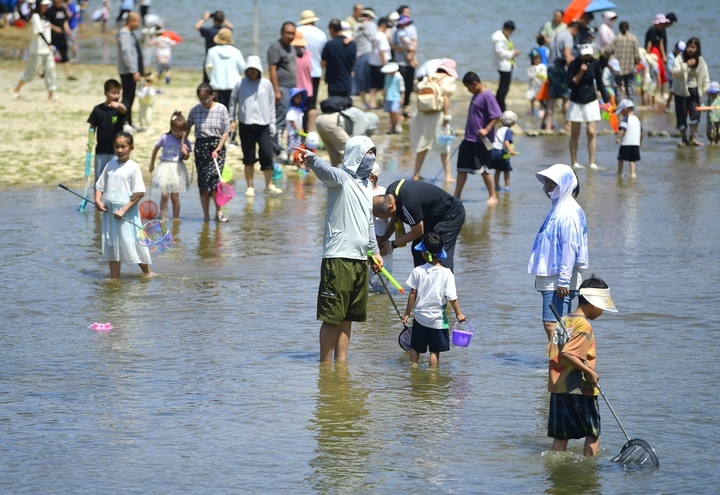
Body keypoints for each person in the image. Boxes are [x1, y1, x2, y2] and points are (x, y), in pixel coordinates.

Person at [295, 136, 383, 363]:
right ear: (357, 156)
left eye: (374, 153)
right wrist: (312, 158)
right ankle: (324, 365)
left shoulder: (366, 186)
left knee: (348, 318)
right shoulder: (342, 179)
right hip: (339, 258)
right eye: (368, 153)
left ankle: (340, 365)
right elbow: (326, 171)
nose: (371, 159)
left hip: (361, 259)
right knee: (333, 316)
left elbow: (369, 222)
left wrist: (375, 252)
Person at [548, 276, 618, 457]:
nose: (602, 311)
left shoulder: (565, 320)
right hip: (579, 388)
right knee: (592, 433)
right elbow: (568, 354)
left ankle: (554, 468)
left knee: (561, 434)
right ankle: (590, 470)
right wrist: (590, 373)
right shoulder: (583, 325)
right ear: (593, 304)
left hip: (559, 386)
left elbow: (555, 351)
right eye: (602, 307)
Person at [528, 164, 588, 341]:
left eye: (552, 183)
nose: (546, 187)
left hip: (560, 279)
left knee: (555, 324)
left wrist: (563, 281)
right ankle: (559, 363)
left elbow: (570, 246)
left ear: (565, 184)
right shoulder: (559, 208)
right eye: (546, 182)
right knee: (554, 324)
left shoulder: (568, 212)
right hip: (553, 276)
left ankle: (564, 363)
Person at [401, 232, 466, 367]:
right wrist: (458, 313)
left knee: (415, 347)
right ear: (441, 252)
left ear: (423, 253)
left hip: (420, 318)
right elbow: (452, 298)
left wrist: (407, 313)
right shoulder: (447, 273)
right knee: (434, 351)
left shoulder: (418, 271)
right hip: (438, 321)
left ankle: (413, 368)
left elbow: (412, 294)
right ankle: (433, 377)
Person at [94, 132, 152, 279]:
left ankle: (147, 273)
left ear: (131, 147)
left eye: (123, 147)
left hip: (127, 213)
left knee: (131, 242)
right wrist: (98, 201)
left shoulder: (133, 167)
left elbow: (139, 192)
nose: (120, 150)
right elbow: (99, 186)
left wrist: (123, 210)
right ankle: (115, 278)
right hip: (110, 212)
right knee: (112, 244)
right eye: (117, 147)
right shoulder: (109, 165)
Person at [374, 179, 465, 272]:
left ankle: (445, 283)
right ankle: (421, 281)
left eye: (385, 216)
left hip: (449, 215)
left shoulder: (408, 204)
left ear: (391, 207)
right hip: (429, 217)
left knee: (437, 253)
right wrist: (385, 237)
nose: (386, 218)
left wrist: (392, 244)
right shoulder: (390, 193)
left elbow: (417, 232)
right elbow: (396, 215)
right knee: (418, 250)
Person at [229, 56, 282, 197]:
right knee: (249, 156)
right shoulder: (240, 83)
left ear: (259, 70)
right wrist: (231, 119)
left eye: (255, 70)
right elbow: (232, 102)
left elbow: (271, 105)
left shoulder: (266, 84)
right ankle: (250, 186)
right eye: (250, 69)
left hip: (264, 124)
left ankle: (269, 185)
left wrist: (272, 123)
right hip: (245, 124)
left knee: (266, 154)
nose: (252, 72)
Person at [184, 83, 231, 222]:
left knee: (215, 180)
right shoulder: (195, 110)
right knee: (203, 183)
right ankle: (206, 215)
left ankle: (219, 212)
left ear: (212, 95)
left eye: (207, 98)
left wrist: (219, 148)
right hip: (201, 147)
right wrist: (182, 144)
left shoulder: (221, 109)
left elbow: (226, 131)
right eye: (201, 98)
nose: (204, 101)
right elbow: (187, 127)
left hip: (217, 147)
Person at [454, 71, 502, 204]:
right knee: (461, 168)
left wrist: (486, 129)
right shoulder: (476, 94)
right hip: (468, 139)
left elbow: (497, 115)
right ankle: (456, 196)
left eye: (468, 87)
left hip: (480, 141)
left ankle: (493, 195)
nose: (468, 90)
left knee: (483, 168)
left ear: (475, 84)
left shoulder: (487, 96)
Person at [410, 58, 458, 182]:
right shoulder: (449, 79)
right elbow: (446, 99)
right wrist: (447, 117)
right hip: (437, 115)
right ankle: (448, 175)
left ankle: (416, 174)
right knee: (444, 145)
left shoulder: (430, 77)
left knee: (422, 144)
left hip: (422, 115)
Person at [566, 43, 609, 169]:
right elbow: (570, 84)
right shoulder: (574, 64)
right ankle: (574, 161)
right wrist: (580, 72)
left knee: (591, 132)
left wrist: (606, 100)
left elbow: (599, 82)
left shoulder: (595, 63)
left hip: (591, 100)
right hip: (576, 101)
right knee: (575, 133)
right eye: (585, 55)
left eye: (589, 54)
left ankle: (592, 162)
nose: (587, 57)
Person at [12, 0, 58, 101]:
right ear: (39, 6)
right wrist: (49, 44)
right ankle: (16, 89)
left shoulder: (46, 18)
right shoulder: (35, 17)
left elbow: (47, 32)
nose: (45, 7)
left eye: (46, 5)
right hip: (37, 50)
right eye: (44, 5)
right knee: (31, 72)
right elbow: (40, 32)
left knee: (51, 71)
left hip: (47, 51)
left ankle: (51, 95)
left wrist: (51, 44)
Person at [149, 111, 191, 221]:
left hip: (177, 168)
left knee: (175, 197)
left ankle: (176, 218)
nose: (177, 133)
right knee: (164, 195)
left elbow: (186, 158)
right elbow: (155, 149)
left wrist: (186, 153)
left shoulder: (185, 141)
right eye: (175, 130)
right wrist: (152, 164)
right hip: (164, 166)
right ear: (171, 127)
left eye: (180, 131)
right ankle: (163, 215)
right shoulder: (165, 137)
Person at [672, 37, 710, 147]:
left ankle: (692, 137)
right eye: (689, 47)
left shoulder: (700, 61)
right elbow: (675, 72)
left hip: (694, 90)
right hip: (681, 90)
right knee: (681, 114)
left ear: (697, 49)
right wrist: (686, 65)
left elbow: (705, 76)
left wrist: (706, 89)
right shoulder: (680, 58)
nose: (691, 50)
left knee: (695, 114)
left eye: (694, 47)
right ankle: (683, 139)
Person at [268, 21, 297, 157]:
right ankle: (276, 149)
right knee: (279, 119)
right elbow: (272, 69)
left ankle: (284, 146)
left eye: (293, 33)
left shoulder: (291, 47)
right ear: (281, 33)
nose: (290, 36)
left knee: (289, 118)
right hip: (282, 87)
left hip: (292, 88)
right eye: (288, 33)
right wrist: (276, 91)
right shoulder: (276, 48)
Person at [87, 79, 126, 181]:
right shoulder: (98, 109)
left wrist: (118, 105)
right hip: (101, 150)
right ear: (105, 93)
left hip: (116, 151)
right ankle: (97, 197)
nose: (116, 96)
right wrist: (89, 143)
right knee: (99, 178)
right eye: (113, 93)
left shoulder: (119, 110)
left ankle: (112, 197)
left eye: (118, 93)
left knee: (114, 177)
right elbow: (92, 127)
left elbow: (124, 109)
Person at [542, 21, 578, 131]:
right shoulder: (568, 37)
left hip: (551, 68)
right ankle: (568, 125)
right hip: (561, 69)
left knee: (552, 99)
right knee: (566, 98)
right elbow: (567, 54)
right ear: (574, 29)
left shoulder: (556, 35)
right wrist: (572, 71)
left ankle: (548, 125)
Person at [315, 105, 379, 166]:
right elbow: (356, 142)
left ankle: (334, 174)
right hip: (331, 122)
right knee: (351, 153)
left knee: (334, 156)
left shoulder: (358, 115)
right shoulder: (364, 121)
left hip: (319, 119)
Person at [296, 10, 327, 133]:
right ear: (313, 20)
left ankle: (299, 129)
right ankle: (310, 130)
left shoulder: (298, 31)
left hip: (300, 71)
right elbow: (323, 56)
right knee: (312, 102)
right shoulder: (321, 34)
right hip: (316, 72)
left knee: (298, 101)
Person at [205, 27, 246, 110]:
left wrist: (212, 78)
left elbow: (207, 68)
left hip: (217, 87)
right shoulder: (236, 52)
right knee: (231, 111)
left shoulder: (212, 51)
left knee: (218, 112)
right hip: (233, 86)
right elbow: (243, 69)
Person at [369, 162, 393, 292]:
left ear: (372, 177)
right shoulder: (359, 193)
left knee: (381, 280)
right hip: (365, 243)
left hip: (382, 243)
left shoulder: (384, 193)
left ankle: (380, 307)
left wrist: (387, 241)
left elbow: (394, 220)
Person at [116, 11, 143, 129]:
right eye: (138, 21)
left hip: (131, 70)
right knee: (127, 97)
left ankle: (128, 121)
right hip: (127, 71)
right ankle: (122, 122)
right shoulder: (124, 34)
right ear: (131, 21)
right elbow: (126, 53)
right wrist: (134, 70)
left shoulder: (129, 33)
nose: (139, 24)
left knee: (131, 96)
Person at [195, 10, 233, 84]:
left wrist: (205, 18)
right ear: (222, 20)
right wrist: (221, 19)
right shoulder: (226, 31)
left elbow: (197, 26)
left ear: (214, 20)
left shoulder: (208, 31)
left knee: (207, 82)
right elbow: (231, 26)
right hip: (224, 60)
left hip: (210, 59)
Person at [322, 18, 357, 98]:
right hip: (347, 81)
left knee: (334, 105)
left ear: (331, 29)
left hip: (333, 82)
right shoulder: (352, 45)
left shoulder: (329, 45)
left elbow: (323, 64)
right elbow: (353, 61)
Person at [607, 21, 640, 101]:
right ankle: (630, 104)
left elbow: (608, 50)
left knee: (618, 87)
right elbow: (637, 55)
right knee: (629, 86)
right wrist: (637, 62)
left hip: (617, 68)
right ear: (628, 28)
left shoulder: (616, 39)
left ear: (619, 28)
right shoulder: (633, 38)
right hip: (629, 67)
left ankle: (618, 104)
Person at [492, 20, 520, 112]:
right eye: (511, 31)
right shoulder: (499, 38)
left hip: (507, 65)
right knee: (503, 87)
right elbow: (499, 52)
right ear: (507, 29)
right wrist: (512, 53)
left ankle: (499, 105)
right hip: (503, 65)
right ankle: (500, 106)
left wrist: (512, 53)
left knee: (504, 87)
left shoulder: (504, 37)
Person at [391, 13, 417, 113]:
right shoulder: (400, 32)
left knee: (408, 86)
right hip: (401, 63)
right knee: (403, 85)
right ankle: (402, 106)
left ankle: (404, 107)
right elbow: (405, 43)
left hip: (407, 62)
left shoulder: (402, 31)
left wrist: (410, 51)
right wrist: (409, 47)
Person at [352, 8, 377, 108]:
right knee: (369, 79)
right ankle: (370, 102)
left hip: (360, 55)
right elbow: (374, 38)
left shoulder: (357, 27)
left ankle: (365, 102)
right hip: (368, 54)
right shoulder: (370, 26)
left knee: (361, 79)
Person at [47, 0, 76, 81]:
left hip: (62, 37)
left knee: (65, 55)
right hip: (53, 37)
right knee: (50, 56)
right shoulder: (50, 10)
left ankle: (69, 74)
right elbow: (46, 23)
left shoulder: (63, 9)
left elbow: (65, 21)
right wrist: (55, 28)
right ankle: (44, 72)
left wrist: (67, 29)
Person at [368, 16, 391, 109]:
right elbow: (382, 51)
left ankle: (373, 103)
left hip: (373, 61)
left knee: (374, 85)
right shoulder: (381, 36)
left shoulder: (375, 34)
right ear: (384, 26)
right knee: (383, 85)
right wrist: (384, 64)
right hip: (381, 63)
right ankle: (385, 102)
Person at [614, 99, 641, 178]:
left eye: (621, 111)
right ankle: (632, 173)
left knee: (620, 158)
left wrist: (618, 137)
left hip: (626, 143)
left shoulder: (626, 118)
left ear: (625, 109)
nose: (621, 114)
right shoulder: (637, 119)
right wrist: (640, 142)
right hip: (635, 143)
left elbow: (623, 129)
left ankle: (620, 172)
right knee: (632, 160)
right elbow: (642, 132)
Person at [492, 110, 518, 191]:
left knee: (497, 170)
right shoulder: (508, 131)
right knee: (506, 170)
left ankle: (496, 186)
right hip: (502, 153)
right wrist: (511, 150)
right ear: (513, 122)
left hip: (494, 151)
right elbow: (506, 141)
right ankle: (507, 187)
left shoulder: (499, 129)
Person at [645, 14, 670, 91]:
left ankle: (660, 91)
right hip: (653, 52)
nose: (663, 25)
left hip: (658, 53)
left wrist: (664, 56)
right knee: (655, 72)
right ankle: (654, 91)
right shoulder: (651, 30)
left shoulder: (661, 30)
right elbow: (649, 44)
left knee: (661, 72)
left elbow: (661, 43)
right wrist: (647, 56)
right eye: (661, 24)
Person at [381, 61, 405, 134]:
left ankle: (397, 125)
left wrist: (402, 98)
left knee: (394, 111)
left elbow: (402, 89)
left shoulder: (399, 77)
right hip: (388, 97)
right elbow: (386, 87)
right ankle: (392, 126)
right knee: (390, 113)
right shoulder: (387, 76)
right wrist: (384, 97)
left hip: (396, 97)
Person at [526, 48, 548, 118]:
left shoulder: (542, 66)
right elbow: (530, 75)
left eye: (538, 59)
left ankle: (541, 109)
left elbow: (545, 75)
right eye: (535, 59)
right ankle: (532, 109)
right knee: (532, 97)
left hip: (540, 85)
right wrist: (535, 74)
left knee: (541, 97)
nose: (537, 60)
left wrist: (542, 76)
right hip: (533, 85)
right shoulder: (531, 68)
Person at [286, 88, 307, 156]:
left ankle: (295, 158)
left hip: (298, 132)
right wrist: (297, 128)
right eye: (297, 97)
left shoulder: (299, 109)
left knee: (297, 146)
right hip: (292, 132)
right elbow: (291, 120)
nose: (299, 99)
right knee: (291, 146)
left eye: (300, 97)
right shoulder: (291, 110)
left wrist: (300, 129)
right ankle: (288, 158)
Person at [706, 81, 720, 146]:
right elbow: (704, 105)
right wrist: (701, 108)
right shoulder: (709, 100)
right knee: (711, 132)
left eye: (714, 93)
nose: (712, 94)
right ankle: (712, 142)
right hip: (711, 120)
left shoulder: (719, 99)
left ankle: (716, 140)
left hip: (718, 119)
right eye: (711, 93)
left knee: (718, 132)